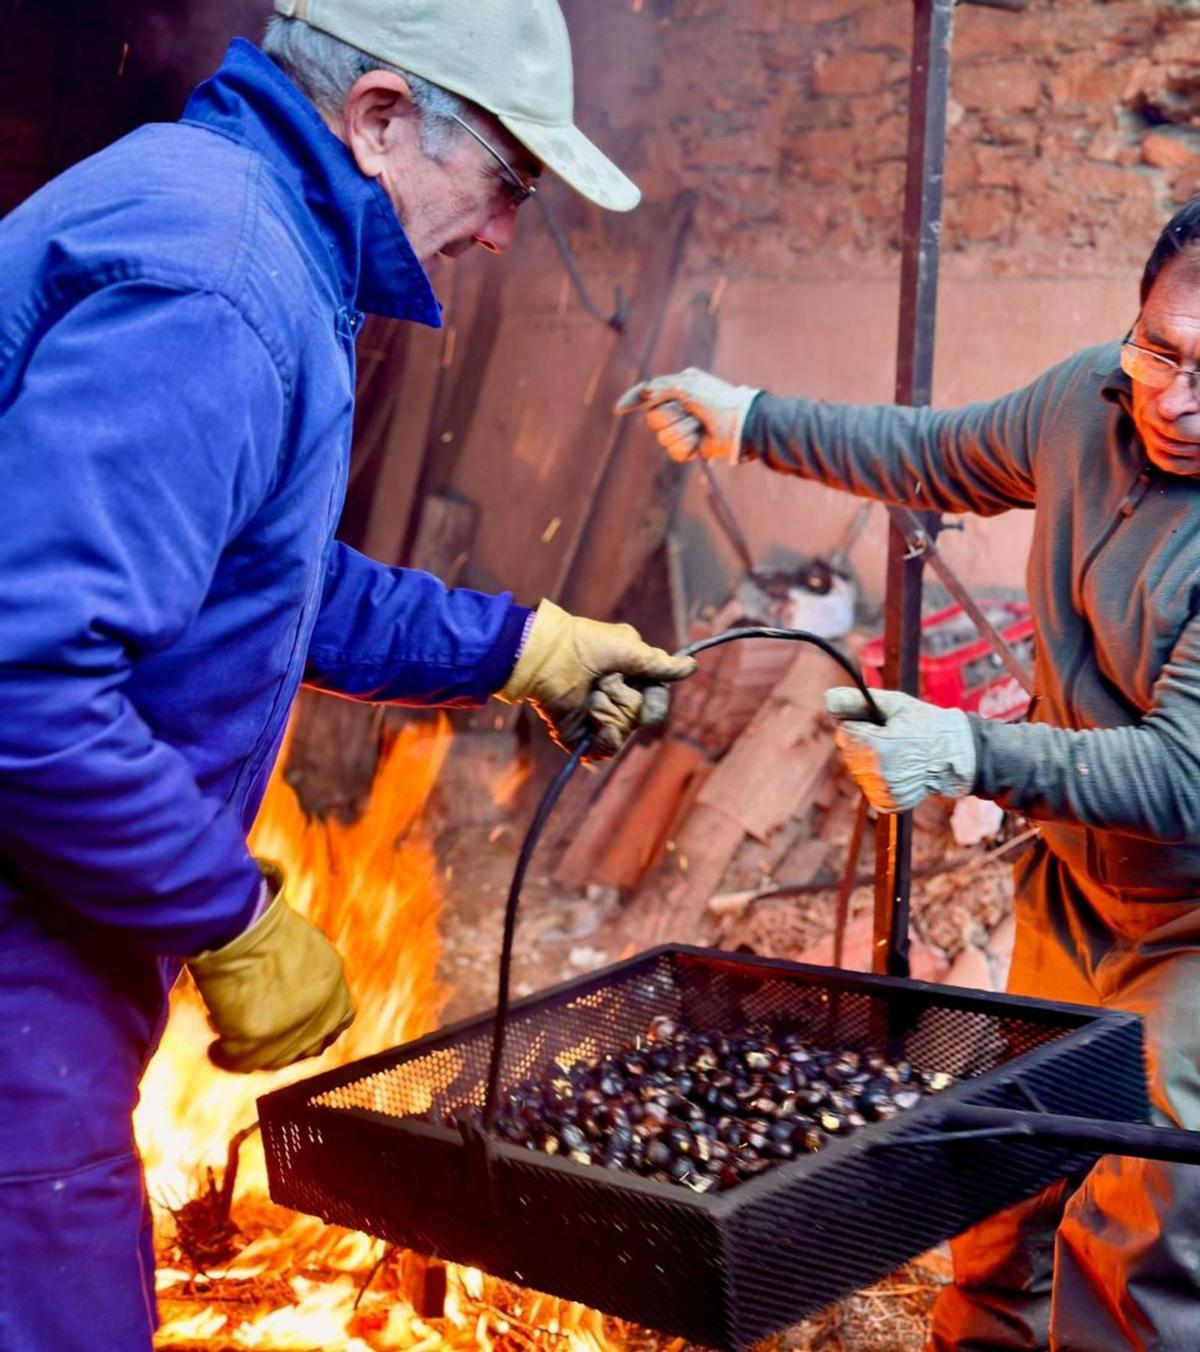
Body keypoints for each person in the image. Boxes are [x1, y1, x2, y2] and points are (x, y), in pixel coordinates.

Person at [0, 3, 696, 1348]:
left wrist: (518, 647)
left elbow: (250, 577)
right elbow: (23, 676)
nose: (502, 232)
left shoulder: (236, 228)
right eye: (505, 182)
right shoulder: (218, 284)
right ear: (378, 118)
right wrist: (226, 913)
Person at [620, 199, 1200, 1351]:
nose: (1177, 398)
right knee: (1007, 1164)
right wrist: (753, 423)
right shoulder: (1088, 400)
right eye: (1162, 350)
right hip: (1079, 891)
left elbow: (1182, 775)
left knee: (1143, 1209)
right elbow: (934, 452)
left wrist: (966, 749)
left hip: (1194, 920)